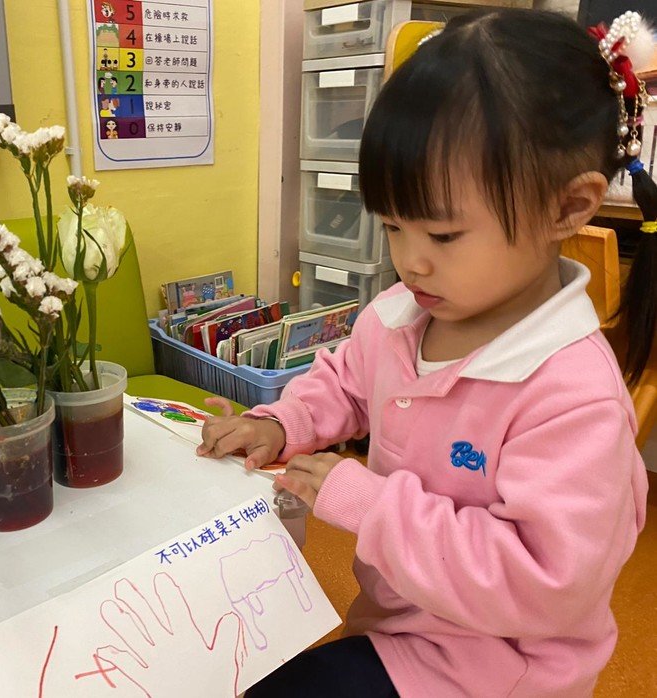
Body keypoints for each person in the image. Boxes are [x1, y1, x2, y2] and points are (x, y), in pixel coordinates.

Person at [198, 9, 653, 697]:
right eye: (392, 226)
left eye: (442, 236)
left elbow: (542, 585)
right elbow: (345, 383)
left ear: (568, 208)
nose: (411, 261)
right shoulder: (400, 317)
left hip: (498, 670)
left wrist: (372, 506)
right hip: (399, 627)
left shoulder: (572, 396)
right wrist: (282, 424)